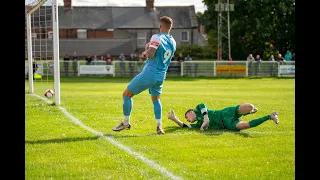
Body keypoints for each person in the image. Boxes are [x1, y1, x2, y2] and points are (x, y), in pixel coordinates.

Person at [112, 16, 176, 134]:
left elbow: (151, 54)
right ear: (170, 27)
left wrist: (145, 52)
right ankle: (159, 126)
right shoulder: (173, 41)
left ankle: (126, 123)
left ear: (160, 26)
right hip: (161, 75)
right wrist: (150, 47)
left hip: (150, 73)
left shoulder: (157, 36)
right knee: (156, 100)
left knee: (126, 95)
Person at [167, 103, 279, 131]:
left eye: (187, 116)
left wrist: (206, 118)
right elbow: (185, 126)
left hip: (225, 113)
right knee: (245, 126)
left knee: (250, 106)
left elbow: (202, 105)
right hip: (227, 125)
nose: (187, 119)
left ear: (191, 112)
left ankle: (249, 111)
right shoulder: (197, 124)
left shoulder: (198, 109)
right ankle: (270, 116)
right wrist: (174, 119)